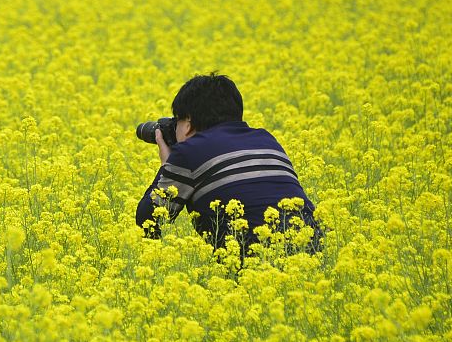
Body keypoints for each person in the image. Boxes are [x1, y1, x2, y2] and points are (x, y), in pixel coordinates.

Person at [135, 73, 322, 255]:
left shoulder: (190, 151)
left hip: (256, 262)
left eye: (178, 121)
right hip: (313, 251)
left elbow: (149, 219)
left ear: (189, 122)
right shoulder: (266, 139)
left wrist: (166, 164)